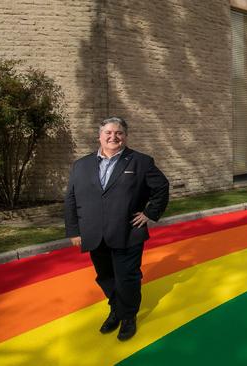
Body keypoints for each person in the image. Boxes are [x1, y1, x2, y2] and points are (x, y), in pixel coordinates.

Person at [64, 117, 169, 341]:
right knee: (105, 276)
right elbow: (71, 199)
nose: (114, 137)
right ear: (99, 136)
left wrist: (150, 213)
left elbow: (161, 187)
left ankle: (129, 317)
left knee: (127, 277)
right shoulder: (80, 165)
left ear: (125, 136)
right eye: (108, 133)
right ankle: (116, 310)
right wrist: (73, 230)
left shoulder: (141, 162)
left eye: (119, 133)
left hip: (127, 232)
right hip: (93, 233)